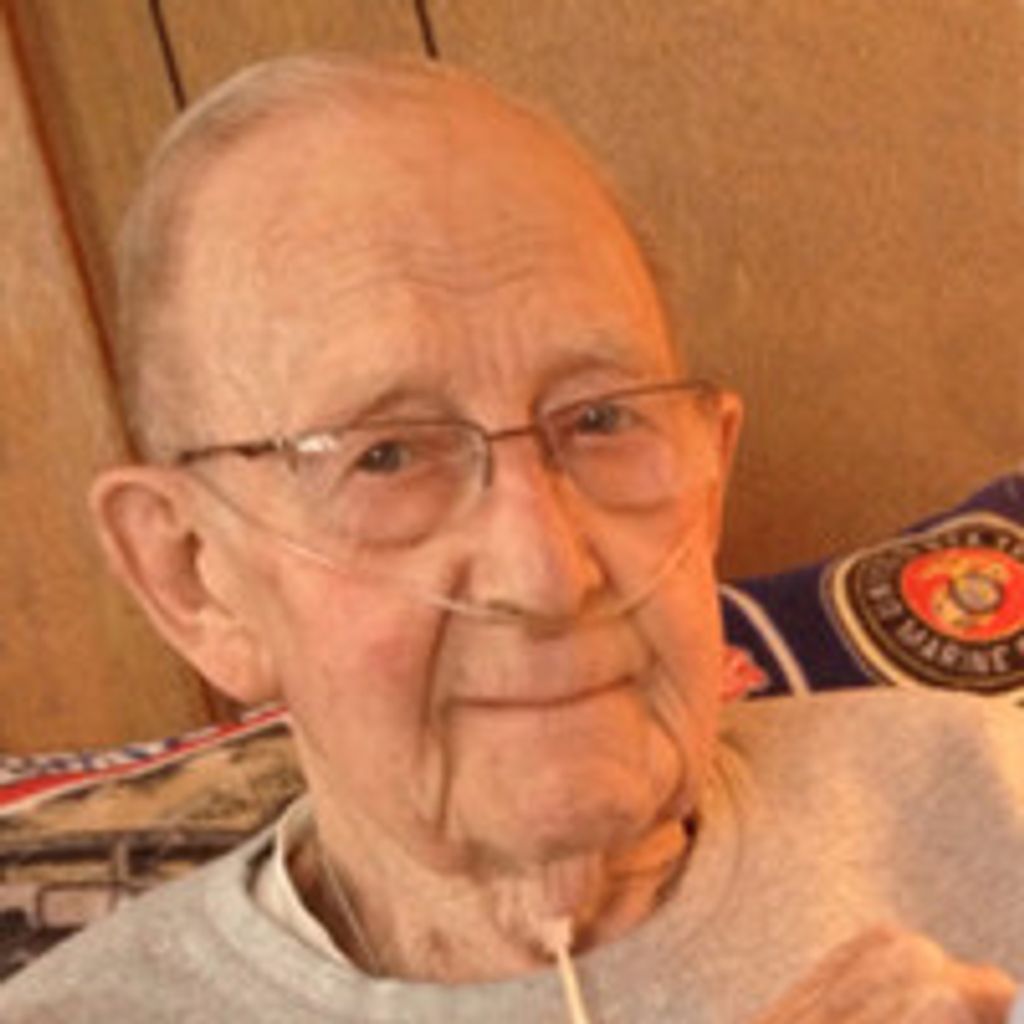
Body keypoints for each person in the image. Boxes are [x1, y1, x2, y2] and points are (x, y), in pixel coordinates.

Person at [2, 54, 1022, 1024]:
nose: (547, 572)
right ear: (194, 577)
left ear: (705, 481)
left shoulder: (990, 783)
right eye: (388, 456)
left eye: (601, 419)